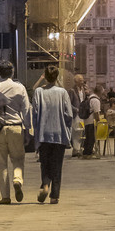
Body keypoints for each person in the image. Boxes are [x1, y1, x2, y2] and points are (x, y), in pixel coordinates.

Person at [0, 57, 31, 203]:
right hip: (16, 127)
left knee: (1, 164)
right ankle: (17, 179)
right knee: (18, 159)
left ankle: (5, 196)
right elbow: (26, 110)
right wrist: (28, 129)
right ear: (12, 72)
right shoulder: (20, 88)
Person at [31, 63, 75, 204]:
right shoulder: (63, 93)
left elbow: (35, 112)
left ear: (45, 77)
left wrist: (36, 129)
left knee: (44, 163)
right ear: (57, 77)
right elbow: (69, 114)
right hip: (59, 133)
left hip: (43, 133)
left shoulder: (38, 92)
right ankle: (55, 195)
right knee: (57, 164)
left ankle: (45, 184)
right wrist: (67, 128)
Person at [81, 87, 101, 156]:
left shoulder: (90, 98)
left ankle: (86, 152)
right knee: (91, 138)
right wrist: (99, 121)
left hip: (86, 120)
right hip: (92, 121)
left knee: (88, 137)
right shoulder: (96, 100)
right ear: (100, 92)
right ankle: (88, 152)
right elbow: (96, 112)